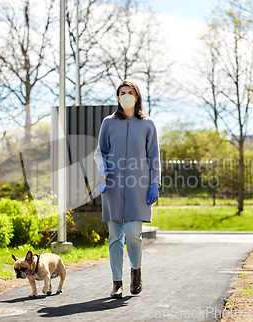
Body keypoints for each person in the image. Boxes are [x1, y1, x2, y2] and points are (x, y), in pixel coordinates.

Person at [93, 79, 161, 298]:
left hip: (139, 188)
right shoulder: (109, 122)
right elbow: (99, 151)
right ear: (117, 97)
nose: (126, 96)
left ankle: (136, 272)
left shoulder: (148, 124)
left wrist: (154, 183)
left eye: (130, 92)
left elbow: (154, 157)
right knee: (115, 236)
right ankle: (117, 283)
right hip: (112, 187)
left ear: (137, 96)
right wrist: (102, 167)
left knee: (133, 234)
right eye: (122, 93)